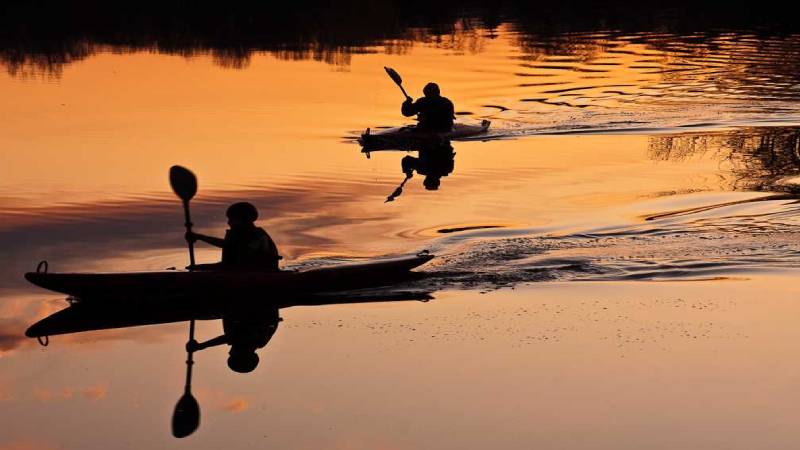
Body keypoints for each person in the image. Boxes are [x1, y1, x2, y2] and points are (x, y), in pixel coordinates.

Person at [185, 202, 281, 271]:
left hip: (258, 272)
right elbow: (230, 260)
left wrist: (199, 237)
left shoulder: (255, 235)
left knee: (198, 268)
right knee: (197, 267)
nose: (229, 222)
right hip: (242, 270)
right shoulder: (241, 233)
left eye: (232, 219)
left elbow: (228, 247)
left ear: (244, 220)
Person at [187, 306, 281, 373]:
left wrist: (201, 346)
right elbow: (228, 338)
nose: (229, 352)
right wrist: (201, 346)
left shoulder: (257, 342)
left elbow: (230, 338)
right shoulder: (255, 340)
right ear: (242, 354)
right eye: (232, 355)